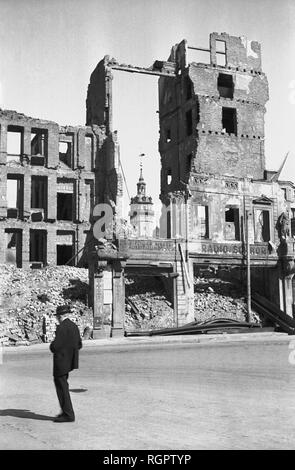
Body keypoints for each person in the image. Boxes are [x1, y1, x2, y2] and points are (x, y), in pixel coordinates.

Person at [50, 304, 82, 423]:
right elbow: (79, 344)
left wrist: (53, 346)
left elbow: (55, 346)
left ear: (61, 316)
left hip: (61, 363)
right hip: (69, 362)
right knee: (64, 386)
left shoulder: (62, 327)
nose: (57, 318)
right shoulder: (74, 326)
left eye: (58, 316)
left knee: (62, 388)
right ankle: (65, 412)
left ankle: (68, 414)